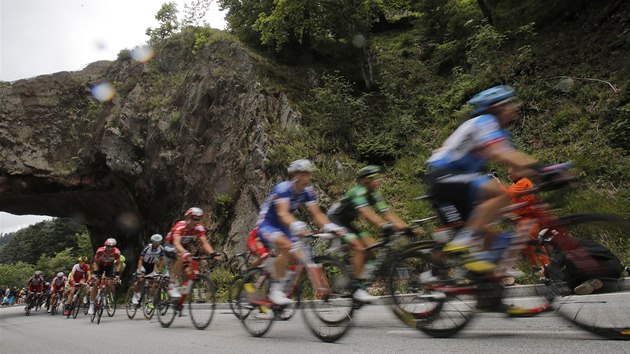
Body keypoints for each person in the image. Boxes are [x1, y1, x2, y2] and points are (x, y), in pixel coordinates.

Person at [425, 85, 549, 273]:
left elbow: (518, 164)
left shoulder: (499, 131)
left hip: (457, 180)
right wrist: (545, 170)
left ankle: (484, 282)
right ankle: (463, 242)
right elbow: (502, 154)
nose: (513, 108)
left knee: (489, 231)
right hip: (443, 175)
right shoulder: (484, 121)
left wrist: (546, 175)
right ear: (496, 107)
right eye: (509, 104)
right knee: (499, 193)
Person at [256, 159, 345, 305]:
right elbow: (283, 213)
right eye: (304, 174)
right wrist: (296, 224)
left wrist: (330, 226)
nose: (307, 178)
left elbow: (316, 214)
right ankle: (276, 291)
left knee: (302, 256)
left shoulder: (307, 192)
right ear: (295, 175)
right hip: (267, 224)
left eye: (309, 174)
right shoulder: (283, 188)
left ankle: (285, 286)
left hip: (284, 226)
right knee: (286, 246)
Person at [328, 165, 412, 302]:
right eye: (375, 178)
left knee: (371, 249)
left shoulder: (374, 195)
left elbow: (388, 214)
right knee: (359, 248)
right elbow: (365, 213)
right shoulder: (358, 191)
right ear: (366, 181)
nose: (379, 181)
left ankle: (359, 278)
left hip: (347, 222)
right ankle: (356, 288)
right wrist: (383, 225)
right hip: (335, 220)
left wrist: (405, 228)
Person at [539, 228, 625, 295]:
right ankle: (590, 283)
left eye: (547, 245)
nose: (547, 249)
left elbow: (556, 264)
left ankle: (587, 281)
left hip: (608, 265)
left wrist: (546, 270)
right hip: (607, 268)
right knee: (569, 271)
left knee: (570, 259)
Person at [164, 207, 218, 298]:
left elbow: (204, 242)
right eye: (194, 219)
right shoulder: (180, 226)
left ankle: (181, 293)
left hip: (182, 248)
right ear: (187, 218)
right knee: (181, 256)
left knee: (189, 273)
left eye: (198, 219)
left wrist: (212, 253)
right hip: (170, 246)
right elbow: (176, 244)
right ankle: (171, 284)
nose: (196, 221)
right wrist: (185, 253)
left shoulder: (199, 228)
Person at [504, 168, 549, 269]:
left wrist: (498, 185)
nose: (509, 176)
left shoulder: (524, 181)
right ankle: (535, 268)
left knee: (533, 243)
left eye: (510, 174)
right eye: (508, 174)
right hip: (521, 219)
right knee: (527, 245)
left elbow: (508, 194)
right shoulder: (516, 184)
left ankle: (546, 267)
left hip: (528, 219)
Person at [88, 238, 122, 315]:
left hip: (110, 266)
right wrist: (96, 272)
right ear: (105, 246)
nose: (110, 249)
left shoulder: (116, 252)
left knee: (110, 283)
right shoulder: (100, 251)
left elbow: (119, 263)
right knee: (96, 282)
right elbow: (95, 262)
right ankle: (92, 303)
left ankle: (105, 295)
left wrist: (117, 273)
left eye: (112, 247)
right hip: (100, 265)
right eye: (108, 247)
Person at [132, 234, 165, 304]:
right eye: (156, 242)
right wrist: (139, 270)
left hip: (152, 266)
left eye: (159, 242)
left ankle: (150, 298)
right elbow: (140, 260)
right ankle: (136, 294)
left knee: (155, 283)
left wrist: (159, 270)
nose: (158, 244)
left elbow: (162, 260)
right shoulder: (147, 248)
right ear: (153, 242)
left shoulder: (161, 248)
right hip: (144, 264)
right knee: (141, 279)